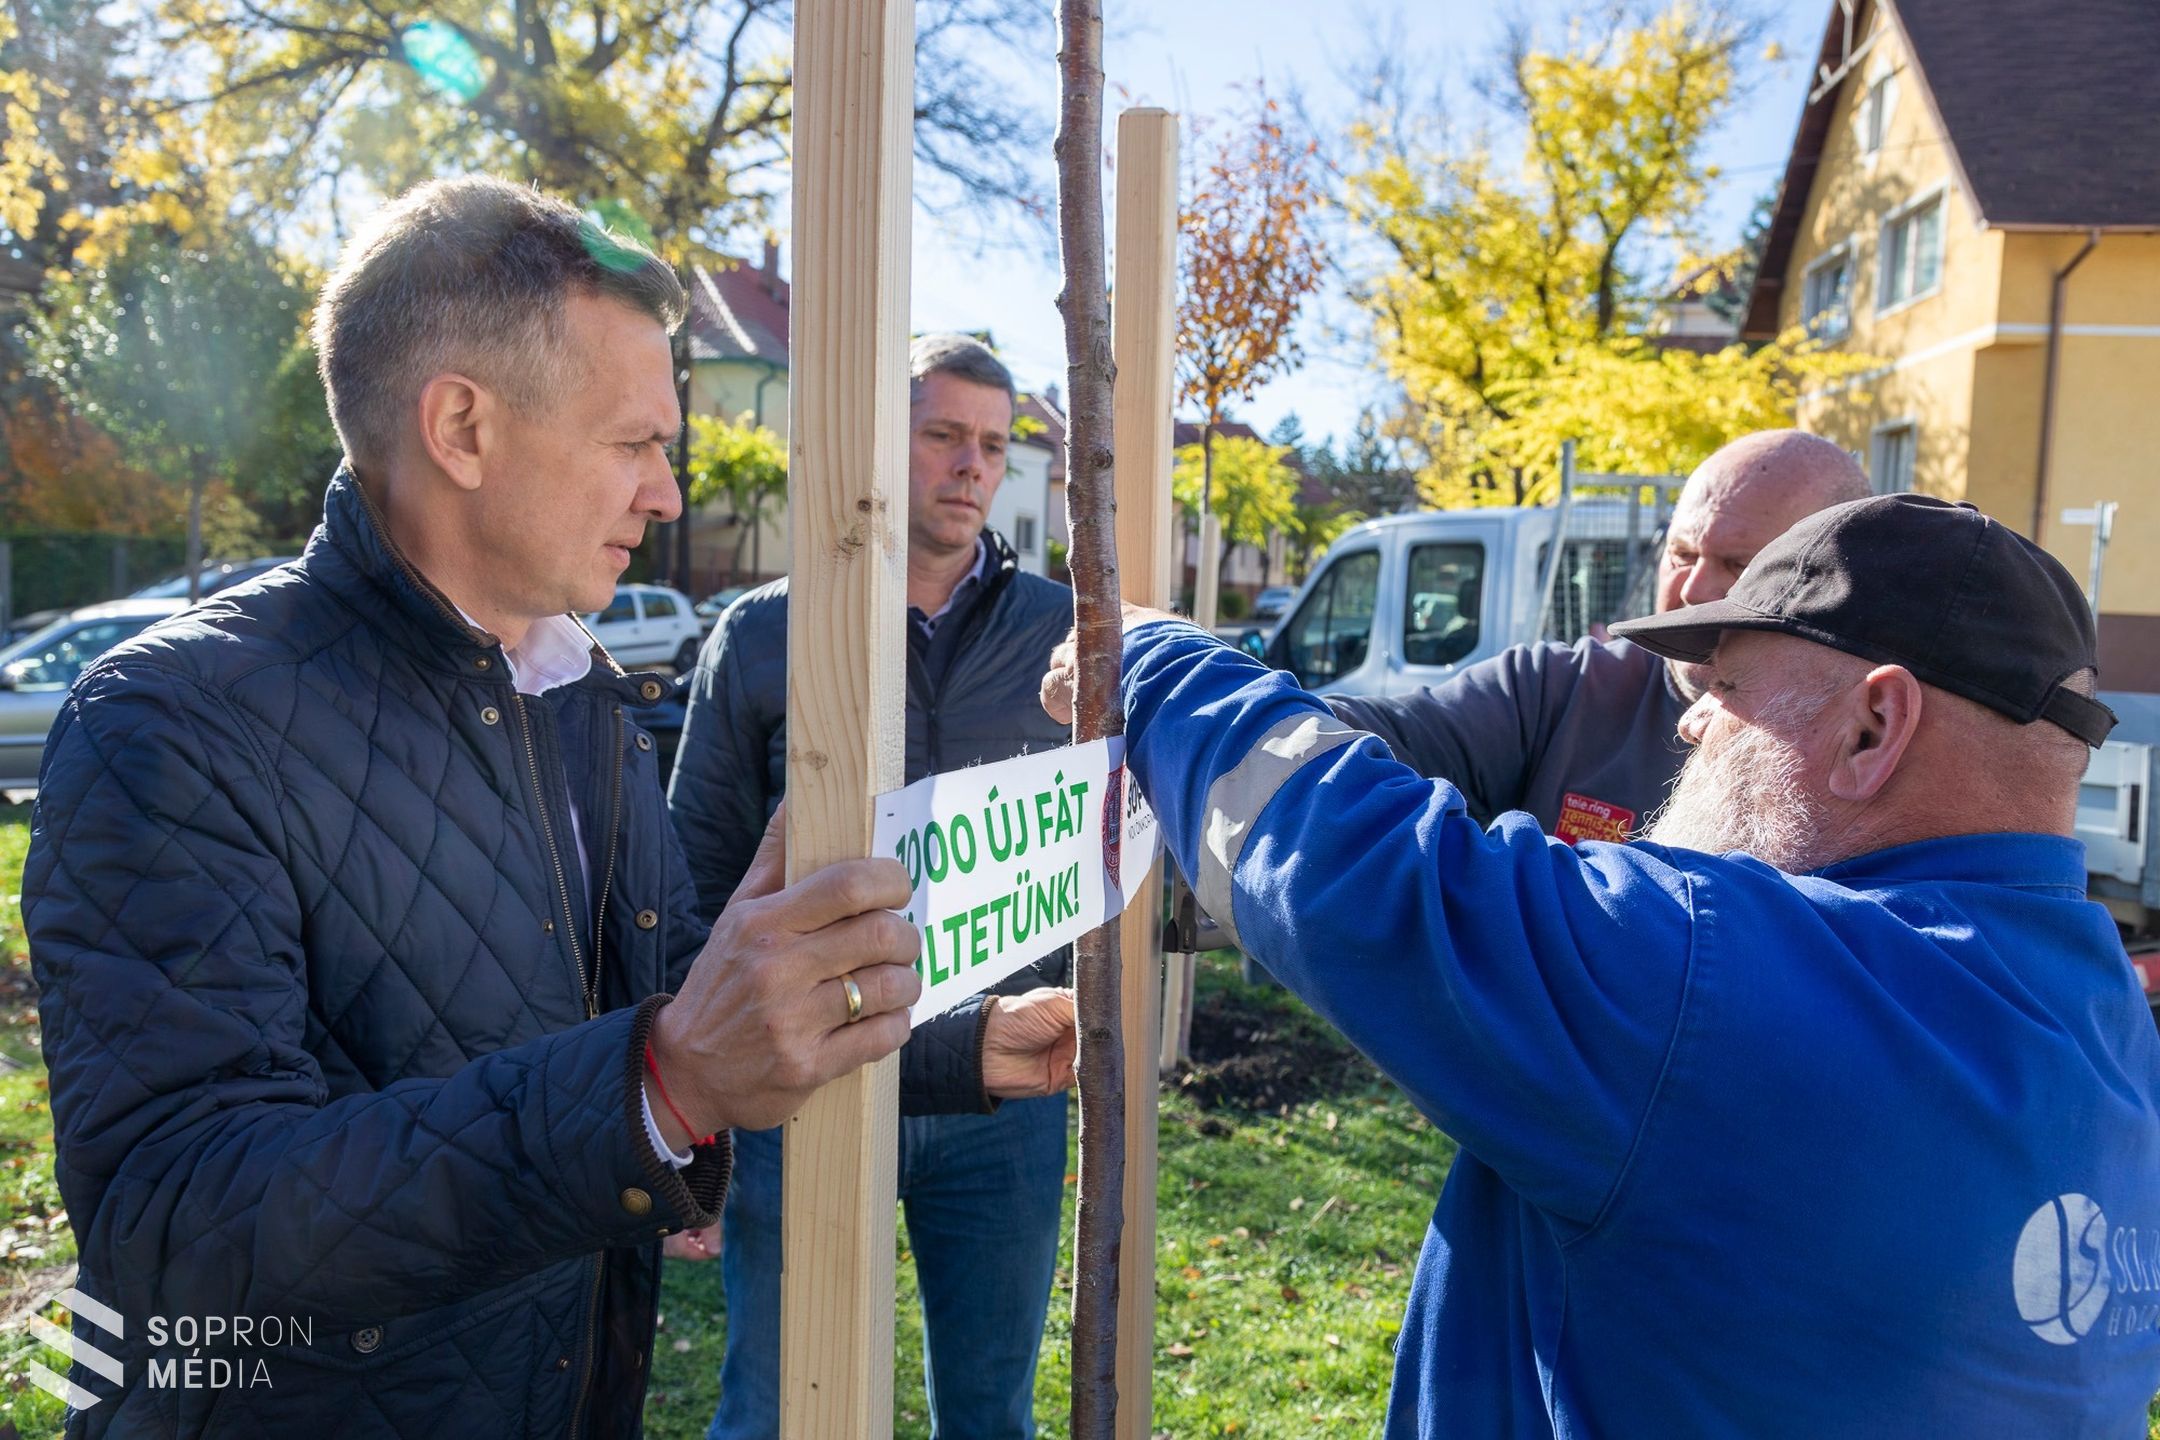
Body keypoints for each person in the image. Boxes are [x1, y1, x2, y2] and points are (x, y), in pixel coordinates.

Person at [20, 175, 994, 1437]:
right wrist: (659, 1092)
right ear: (464, 428)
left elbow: (667, 1008)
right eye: (635, 443)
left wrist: (960, 1048)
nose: (669, 493)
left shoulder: (578, 692)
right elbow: (183, 1223)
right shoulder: (172, 724)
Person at [1045, 495, 2160, 1434]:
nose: (1690, 730)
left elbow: (1361, 872)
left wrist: (1150, 658)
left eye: (1725, 690)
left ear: (1874, 726)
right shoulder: (2113, 1020)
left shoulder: (1726, 976)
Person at [669, 333, 1077, 1438]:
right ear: (881, 440)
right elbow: (692, 879)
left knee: (993, 1417)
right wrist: (691, 1121)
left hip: (1006, 1096)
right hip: (807, 1092)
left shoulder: (1065, 634)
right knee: (773, 1409)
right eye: (943, 434)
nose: (972, 466)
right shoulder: (765, 634)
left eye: (992, 445)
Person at [1329, 430, 1870, 841]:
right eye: (1681, 554)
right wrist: (1254, 708)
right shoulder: (1557, 692)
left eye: (1739, 564)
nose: (1693, 589)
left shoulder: (1877, 746)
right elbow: (1364, 733)